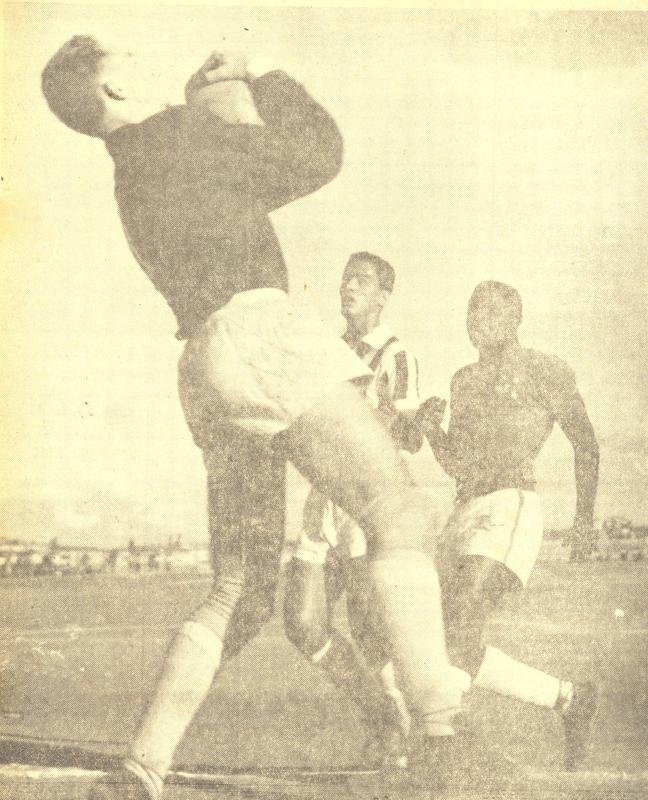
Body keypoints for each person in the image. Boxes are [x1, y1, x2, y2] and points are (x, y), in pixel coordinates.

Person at [42, 38, 459, 800]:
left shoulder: (132, 167)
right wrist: (258, 76)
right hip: (259, 332)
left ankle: (144, 766)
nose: (143, 53)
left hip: (203, 365)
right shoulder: (176, 134)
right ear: (110, 83)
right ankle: (439, 731)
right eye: (125, 54)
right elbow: (318, 153)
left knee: (236, 591)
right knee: (398, 510)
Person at [418, 280, 600, 776]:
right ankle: (567, 698)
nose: (477, 319)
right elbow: (459, 463)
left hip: (511, 504)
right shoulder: (463, 380)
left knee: (463, 612)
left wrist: (584, 520)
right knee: (446, 640)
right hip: (464, 511)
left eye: (489, 310)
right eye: (470, 311)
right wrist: (433, 432)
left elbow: (585, 442)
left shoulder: (546, 369)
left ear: (516, 317)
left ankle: (439, 745)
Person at [284, 251, 424, 769]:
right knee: (302, 623)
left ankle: (406, 732)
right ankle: (386, 718)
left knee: (369, 627)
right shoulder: (330, 351)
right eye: (346, 278)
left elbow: (409, 438)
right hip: (322, 500)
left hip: (365, 504)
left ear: (383, 295)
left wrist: (409, 420)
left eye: (361, 281)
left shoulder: (394, 353)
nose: (348, 287)